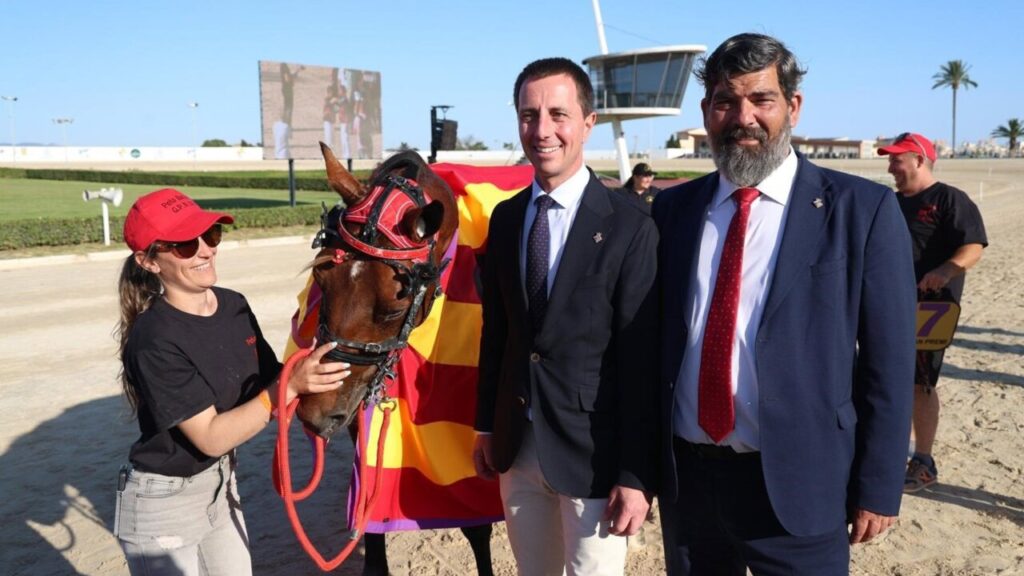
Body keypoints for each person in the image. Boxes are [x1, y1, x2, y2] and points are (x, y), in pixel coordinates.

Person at [652, 33, 916, 574]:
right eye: (725, 101)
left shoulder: (861, 211)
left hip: (803, 485)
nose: (743, 117)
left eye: (761, 99)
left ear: (792, 106)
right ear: (706, 112)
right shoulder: (672, 211)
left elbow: (889, 364)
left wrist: (880, 485)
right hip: (690, 485)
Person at [472, 57, 659, 575]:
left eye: (558, 113)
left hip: (595, 457)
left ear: (588, 123)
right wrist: (486, 425)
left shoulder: (630, 225)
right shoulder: (507, 218)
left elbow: (642, 360)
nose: (542, 130)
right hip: (519, 447)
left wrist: (636, 473)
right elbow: (500, 335)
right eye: (529, 115)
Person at [113, 188, 349, 575]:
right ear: (149, 261)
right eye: (186, 244)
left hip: (221, 487)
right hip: (162, 506)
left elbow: (274, 380)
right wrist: (288, 388)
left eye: (211, 235)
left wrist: (340, 370)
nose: (206, 250)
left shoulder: (234, 304)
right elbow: (211, 437)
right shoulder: (154, 338)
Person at [877, 132, 988, 493]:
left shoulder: (949, 199)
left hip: (933, 308)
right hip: (889, 304)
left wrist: (946, 270)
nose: (891, 166)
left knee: (918, 382)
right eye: (890, 159)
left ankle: (923, 461)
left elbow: (973, 246)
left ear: (919, 160)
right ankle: (887, 453)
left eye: (897, 159)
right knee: (882, 377)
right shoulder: (889, 203)